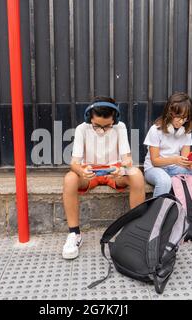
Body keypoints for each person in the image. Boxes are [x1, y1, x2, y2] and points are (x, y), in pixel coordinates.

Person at [62, 96, 146, 260]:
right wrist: (81, 172)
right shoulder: (82, 129)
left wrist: (121, 168)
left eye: (107, 126)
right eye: (97, 126)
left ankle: (135, 231)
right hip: (89, 171)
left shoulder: (120, 127)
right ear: (89, 118)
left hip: (114, 170)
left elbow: (128, 159)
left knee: (136, 175)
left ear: (115, 119)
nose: (101, 130)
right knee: (69, 178)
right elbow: (74, 163)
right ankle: (74, 235)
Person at [143, 92, 192, 198]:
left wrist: (190, 164)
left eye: (185, 118)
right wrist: (175, 160)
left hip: (175, 168)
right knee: (165, 182)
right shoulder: (155, 130)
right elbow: (155, 161)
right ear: (169, 113)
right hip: (153, 169)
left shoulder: (185, 131)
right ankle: (157, 213)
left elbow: (185, 159)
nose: (181, 121)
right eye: (178, 116)